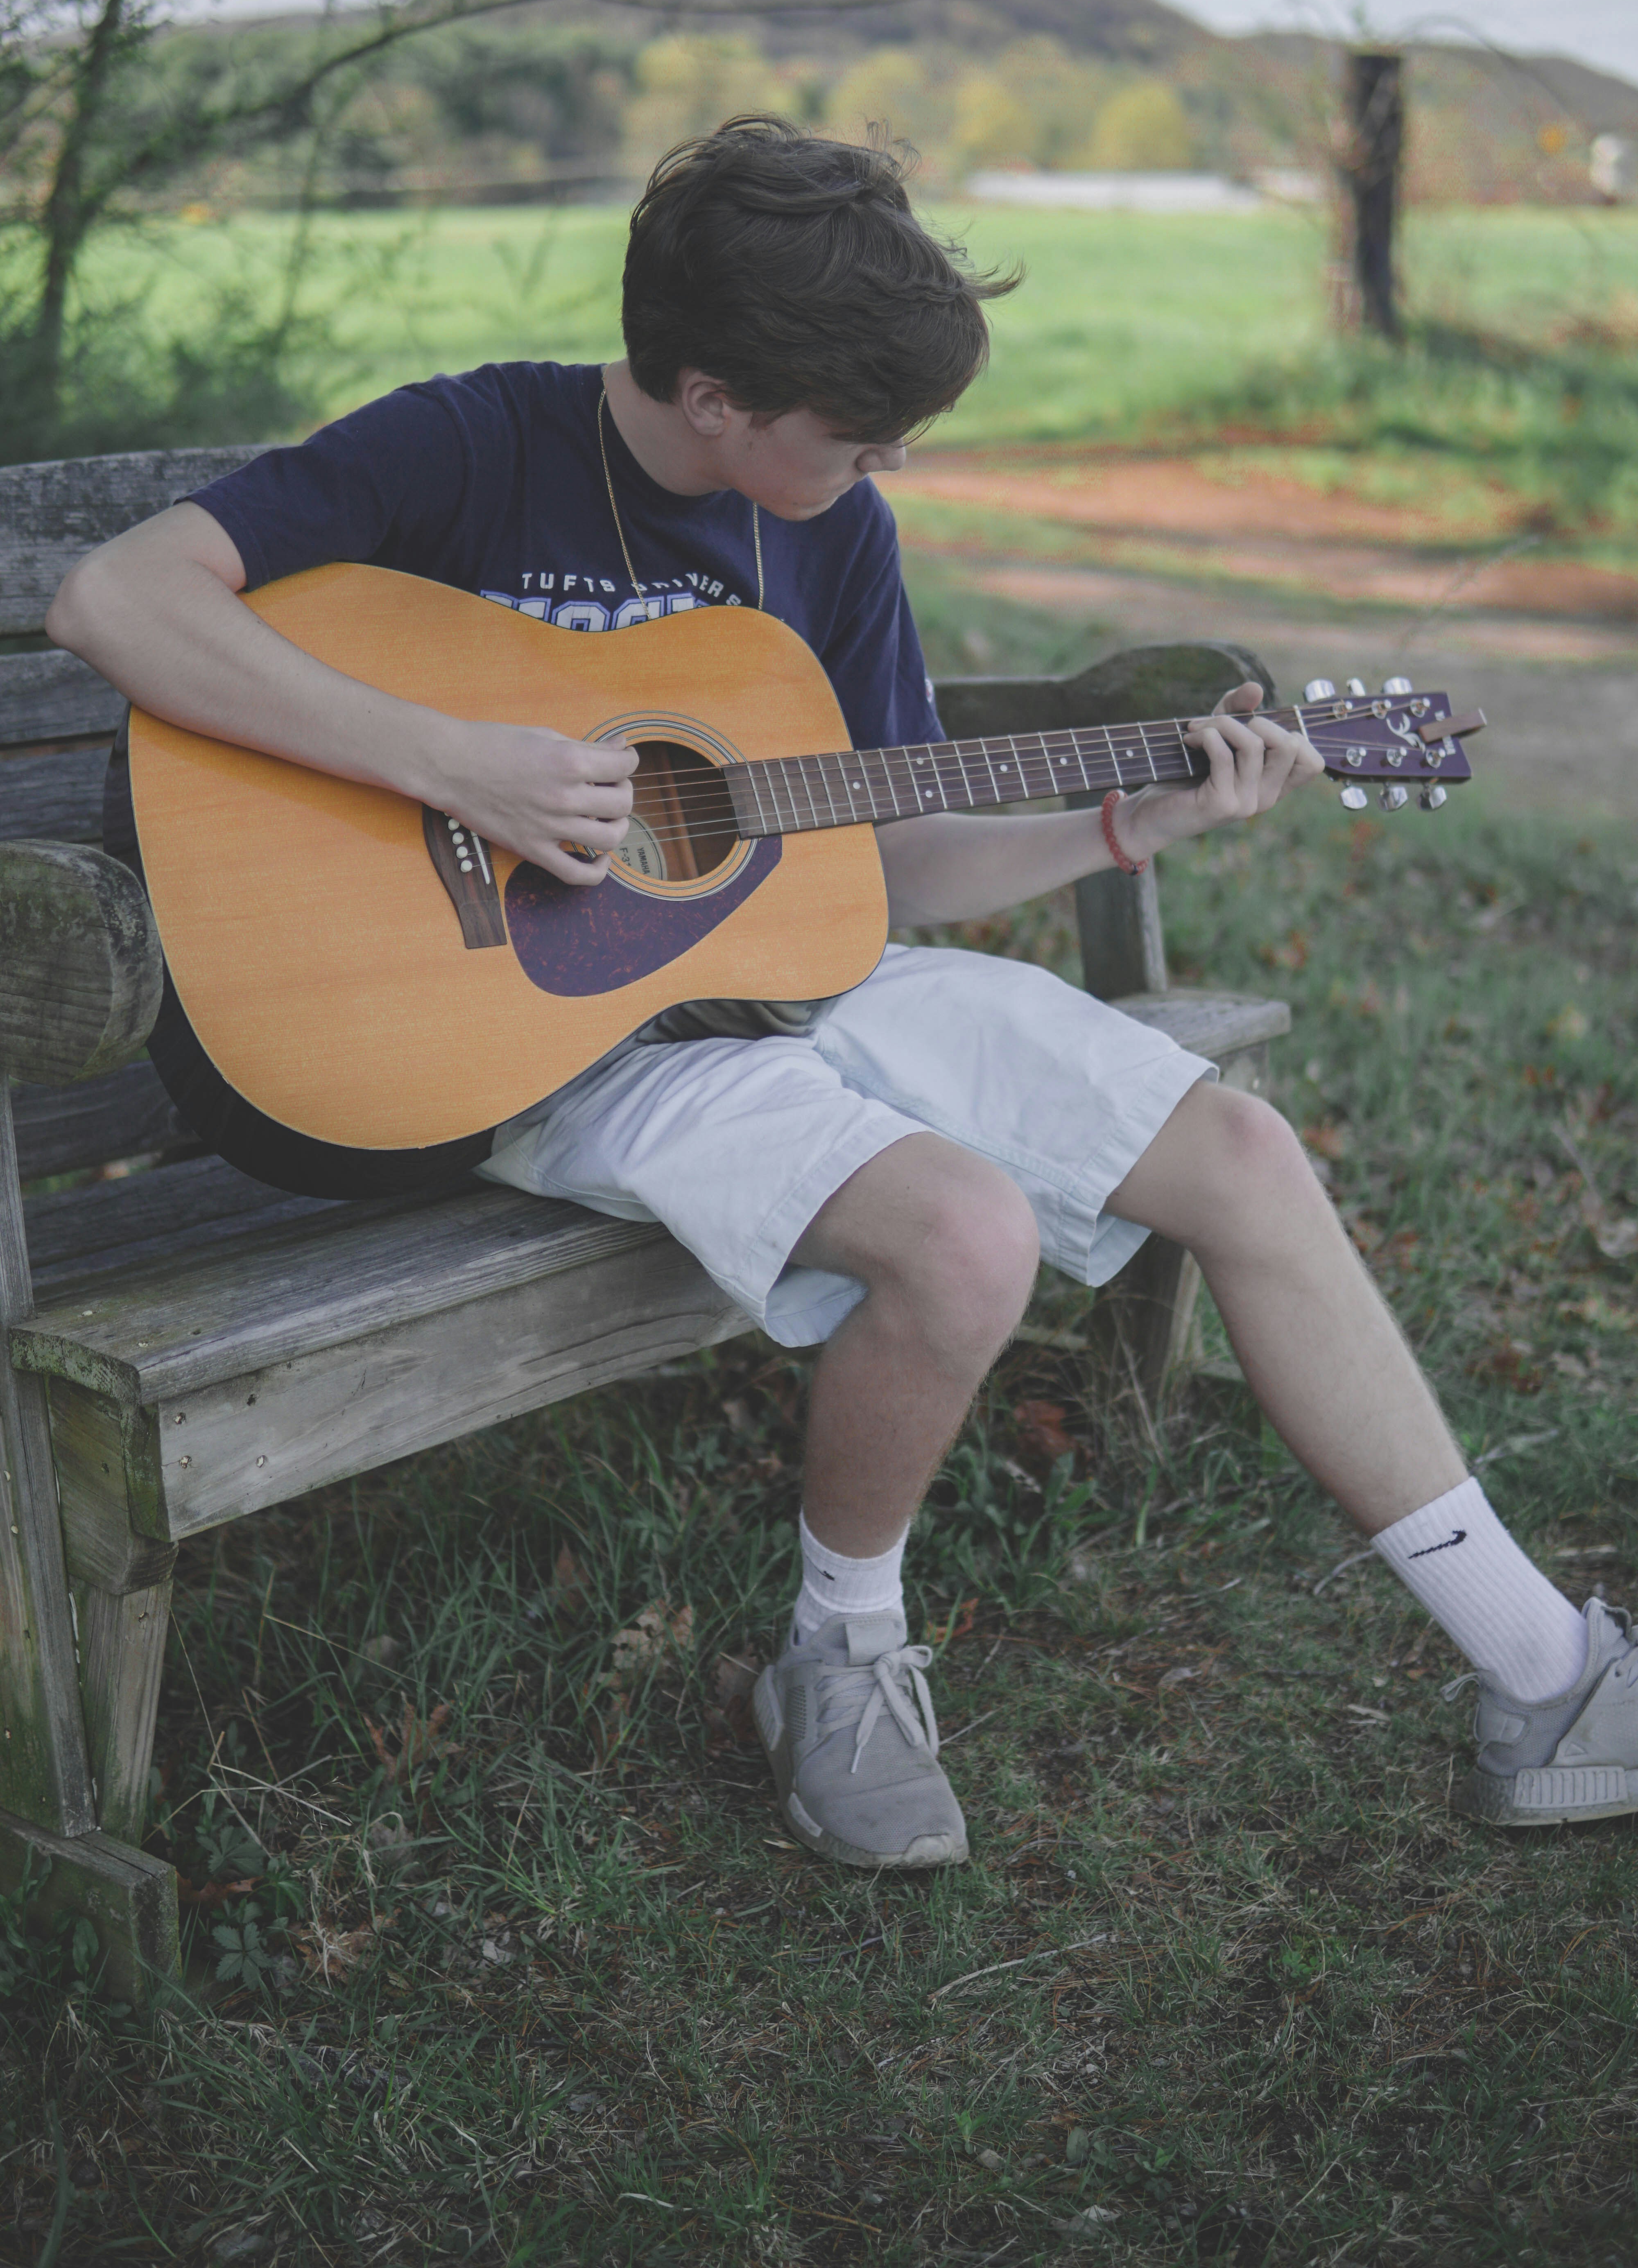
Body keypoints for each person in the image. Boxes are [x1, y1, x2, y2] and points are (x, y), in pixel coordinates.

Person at [48, 118, 1638, 1866]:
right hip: (541, 1043)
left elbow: (879, 855)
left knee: (1243, 1158)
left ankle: (1546, 1673)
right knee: (966, 1237)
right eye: (859, 435)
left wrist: (1130, 819)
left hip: (794, 977)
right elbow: (116, 593)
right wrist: (455, 763)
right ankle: (842, 1654)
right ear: (715, 396)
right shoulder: (470, 444)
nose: (886, 463)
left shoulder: (836, 535)